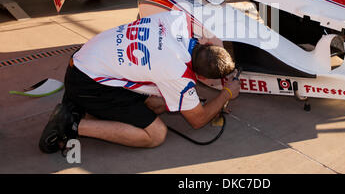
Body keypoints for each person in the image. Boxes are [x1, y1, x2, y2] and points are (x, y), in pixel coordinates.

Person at [39, 11, 241, 153]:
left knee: (158, 103)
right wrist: (227, 93)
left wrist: (200, 103)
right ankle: (71, 124)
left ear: (205, 43)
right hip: (87, 84)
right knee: (156, 134)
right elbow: (197, 120)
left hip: (85, 59)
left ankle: (83, 107)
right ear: (203, 78)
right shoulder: (177, 75)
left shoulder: (178, 19)